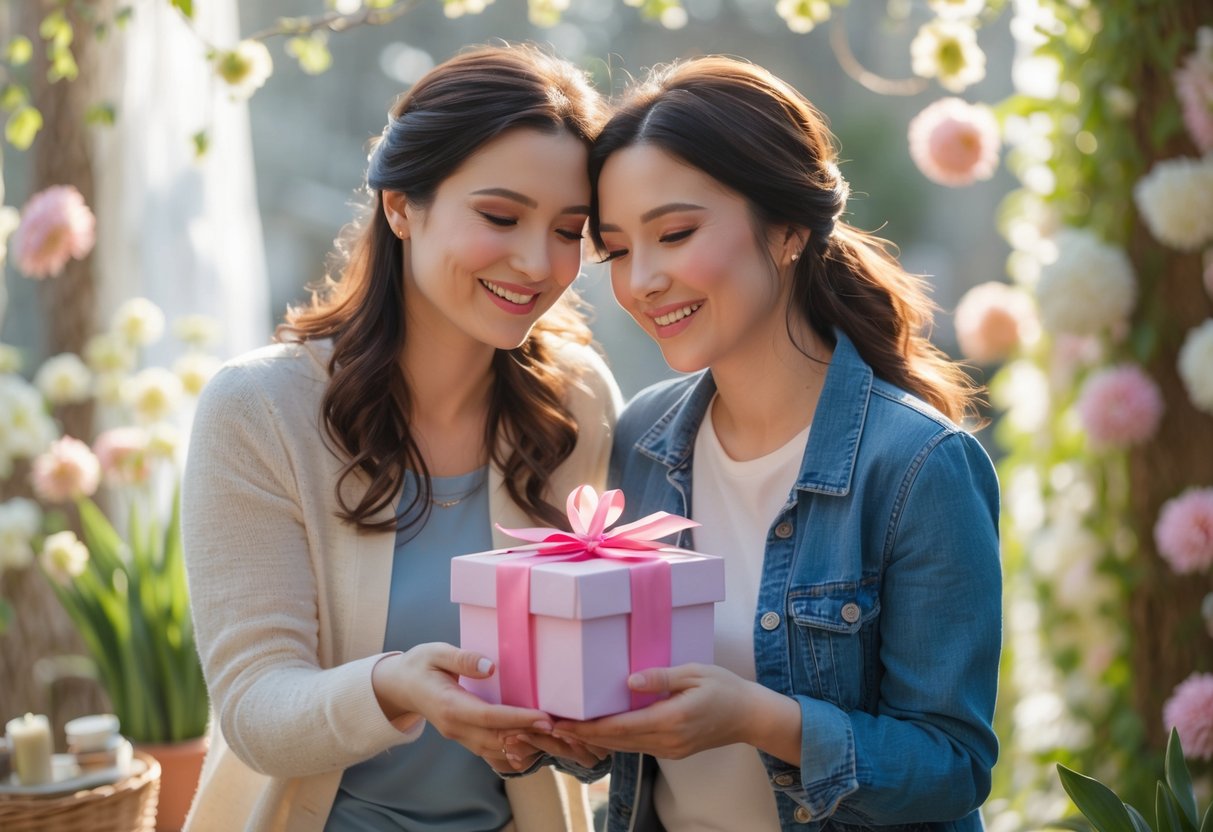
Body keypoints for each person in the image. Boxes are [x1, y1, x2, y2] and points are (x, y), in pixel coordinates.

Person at [515, 56, 1002, 831]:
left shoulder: (916, 466)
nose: (641, 281)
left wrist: (757, 718)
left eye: (674, 233)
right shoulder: (643, 434)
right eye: (614, 250)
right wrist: (542, 726)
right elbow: (634, 724)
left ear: (787, 231)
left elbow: (951, 766)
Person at [181, 44, 621, 832]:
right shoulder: (258, 409)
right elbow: (253, 704)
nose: (537, 262)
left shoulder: (576, 402)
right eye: (499, 216)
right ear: (400, 206)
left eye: (569, 230)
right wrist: (396, 685)